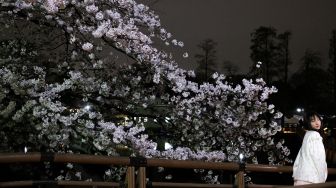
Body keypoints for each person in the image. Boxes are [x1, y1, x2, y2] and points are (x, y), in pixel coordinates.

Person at [292, 111, 328, 186]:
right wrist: (322, 177)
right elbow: (318, 158)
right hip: (312, 179)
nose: (317, 123)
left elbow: (299, 157)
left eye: (318, 119)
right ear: (308, 123)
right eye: (313, 121)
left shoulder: (307, 135)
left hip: (301, 177)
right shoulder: (315, 136)